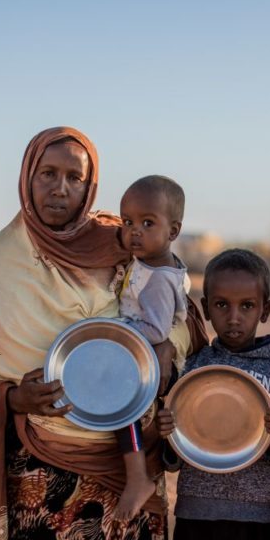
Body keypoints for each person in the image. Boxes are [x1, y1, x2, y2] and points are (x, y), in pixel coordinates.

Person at [0, 126, 206, 540]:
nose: (60, 187)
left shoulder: (123, 242)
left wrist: (164, 354)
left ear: (90, 185)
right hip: (43, 476)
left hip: (131, 465)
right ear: (28, 176)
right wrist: (13, 397)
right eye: (48, 173)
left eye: (74, 176)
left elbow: (185, 319)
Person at [157, 248, 270, 540]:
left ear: (265, 310)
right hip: (192, 521)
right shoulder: (195, 369)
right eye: (221, 305)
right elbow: (173, 460)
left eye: (247, 306)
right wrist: (168, 434)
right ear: (205, 307)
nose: (234, 318)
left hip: (252, 532)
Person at [116, 174, 190, 520]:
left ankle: (137, 478)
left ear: (173, 231)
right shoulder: (150, 264)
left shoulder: (159, 279)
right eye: (127, 222)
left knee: (120, 407)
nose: (135, 231)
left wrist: (117, 331)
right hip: (139, 355)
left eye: (148, 223)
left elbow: (157, 329)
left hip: (145, 358)